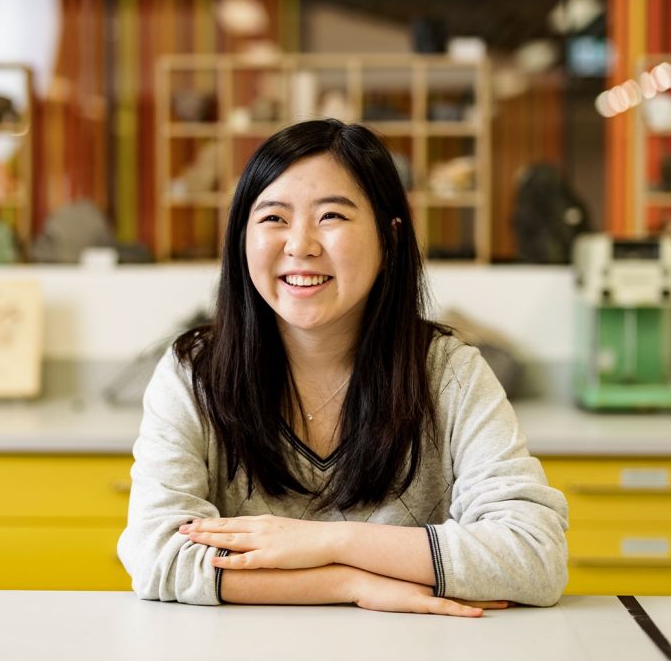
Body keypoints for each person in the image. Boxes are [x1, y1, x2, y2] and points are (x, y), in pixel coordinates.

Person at [118, 119, 568, 617]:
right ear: (241, 238)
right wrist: (349, 582)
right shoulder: (194, 375)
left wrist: (333, 542)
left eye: (331, 215)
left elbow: (535, 555)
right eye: (273, 219)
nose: (300, 245)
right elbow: (157, 556)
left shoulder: (449, 373)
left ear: (390, 237)